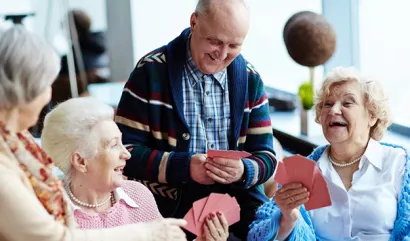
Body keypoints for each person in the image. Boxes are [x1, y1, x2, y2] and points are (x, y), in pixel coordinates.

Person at [0, 25, 187, 241]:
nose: (48, 94)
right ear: (25, 90)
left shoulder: (15, 143)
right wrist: (147, 233)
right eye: (47, 84)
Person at [114, 0, 277, 239]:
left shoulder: (250, 78)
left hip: (240, 215)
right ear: (194, 22)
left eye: (234, 45)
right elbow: (122, 154)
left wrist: (244, 169)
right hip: (166, 216)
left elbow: (267, 157)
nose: (222, 54)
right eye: (215, 41)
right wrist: (185, 167)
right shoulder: (150, 72)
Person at [247, 67, 410, 241]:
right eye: (328, 104)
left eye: (347, 103)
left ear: (372, 116)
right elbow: (257, 236)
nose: (334, 111)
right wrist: (287, 219)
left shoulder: (399, 164)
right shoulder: (302, 173)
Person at [41, 96, 229, 241]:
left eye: (122, 142)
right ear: (81, 162)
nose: (127, 154)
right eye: (114, 145)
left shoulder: (138, 196)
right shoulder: (51, 215)